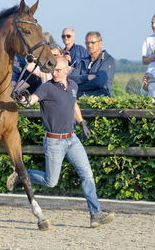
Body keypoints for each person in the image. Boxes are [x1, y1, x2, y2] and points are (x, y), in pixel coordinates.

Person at [8, 56, 115, 228]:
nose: (55, 73)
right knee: (51, 182)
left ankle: (95, 214)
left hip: (72, 139)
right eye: (53, 70)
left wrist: (82, 122)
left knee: (87, 175)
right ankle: (23, 175)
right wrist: (22, 99)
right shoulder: (46, 88)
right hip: (54, 142)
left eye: (58, 70)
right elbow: (32, 100)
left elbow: (73, 104)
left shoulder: (73, 86)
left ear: (67, 70)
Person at [68, 31, 115, 97]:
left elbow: (99, 82)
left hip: (100, 101)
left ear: (100, 43)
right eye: (87, 43)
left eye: (93, 43)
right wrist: (86, 77)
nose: (89, 45)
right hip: (81, 99)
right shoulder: (83, 61)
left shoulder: (107, 60)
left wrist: (78, 87)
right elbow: (70, 80)